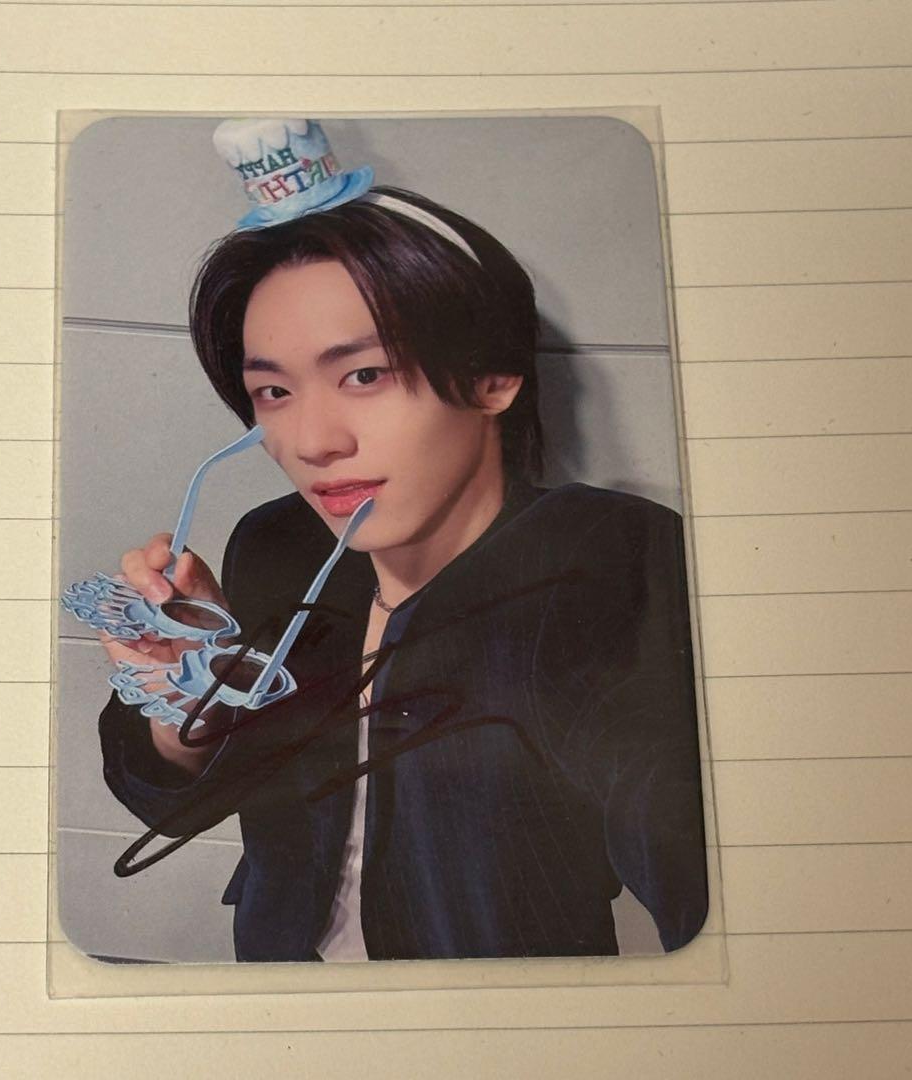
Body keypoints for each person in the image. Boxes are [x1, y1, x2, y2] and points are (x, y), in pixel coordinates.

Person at [96, 118, 708, 962]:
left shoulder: (599, 557)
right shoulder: (276, 545)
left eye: (364, 375)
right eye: (273, 392)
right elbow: (175, 805)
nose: (313, 443)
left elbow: (700, 850)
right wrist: (186, 691)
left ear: (493, 376)